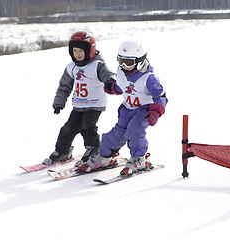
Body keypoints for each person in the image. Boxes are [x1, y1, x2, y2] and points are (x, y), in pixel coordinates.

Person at [78, 40, 168, 175]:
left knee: (134, 130)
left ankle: (139, 158)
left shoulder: (149, 78)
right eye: (121, 61)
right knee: (117, 133)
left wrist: (155, 112)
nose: (124, 65)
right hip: (127, 108)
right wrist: (112, 88)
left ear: (140, 61)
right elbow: (122, 86)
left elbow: (161, 96)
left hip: (144, 110)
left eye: (129, 62)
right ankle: (105, 156)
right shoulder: (121, 72)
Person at [43, 31, 116, 166]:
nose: (77, 54)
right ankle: (63, 151)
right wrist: (59, 102)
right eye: (74, 50)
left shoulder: (97, 65)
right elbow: (64, 86)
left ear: (90, 50)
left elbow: (108, 75)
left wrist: (110, 82)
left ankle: (93, 151)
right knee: (67, 129)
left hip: (94, 104)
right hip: (78, 105)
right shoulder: (72, 68)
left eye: (80, 50)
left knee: (87, 127)